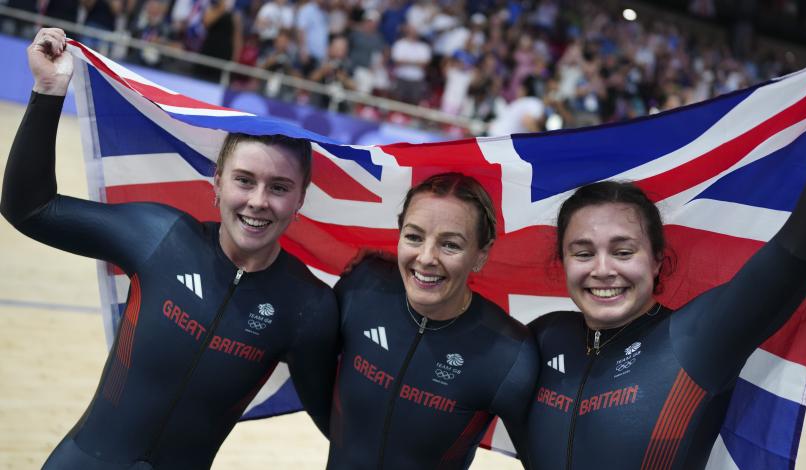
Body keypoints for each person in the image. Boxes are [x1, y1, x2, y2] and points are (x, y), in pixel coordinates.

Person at [523, 30, 806, 470]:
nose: (603, 269)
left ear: (658, 259)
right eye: (583, 252)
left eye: (623, 251)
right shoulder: (542, 339)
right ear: (562, 261)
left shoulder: (700, 337)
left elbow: (805, 246)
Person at [1, 28, 339, 469]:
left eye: (279, 187)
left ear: (300, 199)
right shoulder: (160, 235)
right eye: (244, 180)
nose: (258, 201)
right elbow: (30, 208)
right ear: (217, 182)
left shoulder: (307, 307)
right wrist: (48, 91)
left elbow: (345, 431)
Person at [327, 173, 538, 469]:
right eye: (413, 237)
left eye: (450, 245)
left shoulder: (509, 352)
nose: (426, 258)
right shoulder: (361, 287)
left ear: (481, 255)